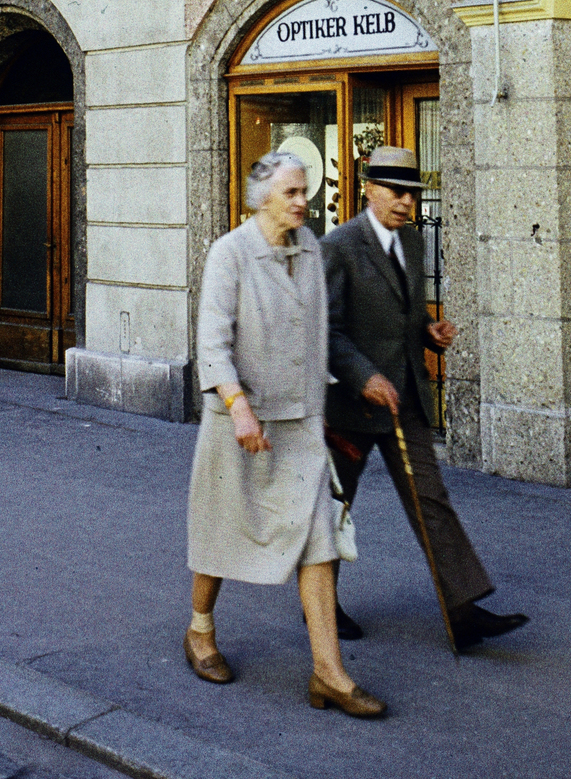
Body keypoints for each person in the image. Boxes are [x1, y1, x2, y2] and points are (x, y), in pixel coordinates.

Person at [185, 150, 386, 718]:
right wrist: (238, 405)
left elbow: (321, 337)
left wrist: (344, 399)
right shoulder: (230, 255)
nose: (304, 201)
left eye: (305, 191)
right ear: (262, 199)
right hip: (241, 422)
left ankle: (329, 674)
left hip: (299, 427)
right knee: (221, 532)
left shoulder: (310, 252)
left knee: (318, 541)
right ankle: (200, 631)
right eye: (293, 193)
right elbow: (213, 344)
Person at [323, 145, 529, 651]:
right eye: (395, 192)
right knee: (332, 508)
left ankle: (461, 611)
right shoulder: (338, 247)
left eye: (412, 194)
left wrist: (428, 332)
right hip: (351, 408)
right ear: (369, 188)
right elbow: (324, 331)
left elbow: (403, 316)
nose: (405, 203)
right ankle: (320, 609)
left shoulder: (412, 244)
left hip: (405, 399)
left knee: (430, 499)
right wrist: (363, 376)